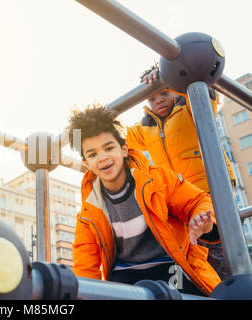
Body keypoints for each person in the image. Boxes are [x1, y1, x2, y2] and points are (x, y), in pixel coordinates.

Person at [69, 104, 221, 296]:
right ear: (86, 163)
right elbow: (85, 263)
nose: (102, 157)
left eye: (109, 148)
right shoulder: (89, 209)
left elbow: (197, 200)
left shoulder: (156, 179)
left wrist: (203, 221)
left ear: (124, 149)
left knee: (181, 291)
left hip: (169, 264)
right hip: (125, 275)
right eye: (92, 154)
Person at [125, 64, 233, 280]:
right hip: (179, 199)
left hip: (210, 189)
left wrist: (173, 75)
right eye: (152, 97)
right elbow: (118, 140)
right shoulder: (146, 127)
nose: (159, 100)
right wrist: (83, 130)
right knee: (194, 256)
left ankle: (232, 286)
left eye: (164, 92)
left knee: (220, 249)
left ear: (174, 89)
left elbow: (207, 92)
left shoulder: (190, 106)